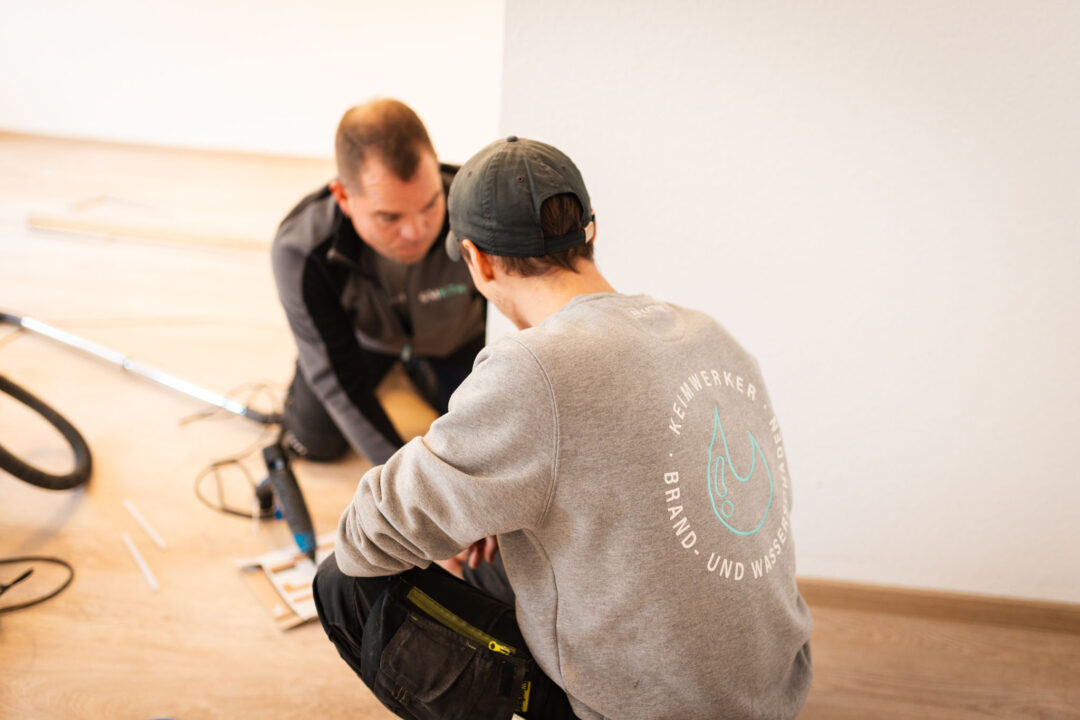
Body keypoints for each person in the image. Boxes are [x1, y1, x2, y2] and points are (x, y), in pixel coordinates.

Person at [313, 136, 813, 719]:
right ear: (590, 232)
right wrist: (497, 505)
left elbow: (365, 536)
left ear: (476, 259)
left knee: (342, 584)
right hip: (774, 691)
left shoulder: (534, 368)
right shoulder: (710, 335)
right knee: (498, 557)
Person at [271, 99, 486, 466]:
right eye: (389, 217)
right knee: (315, 442)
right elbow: (336, 380)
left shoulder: (477, 207)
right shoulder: (301, 251)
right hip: (361, 343)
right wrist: (405, 480)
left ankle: (416, 369)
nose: (416, 231)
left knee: (483, 435)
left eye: (430, 204)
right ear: (344, 197)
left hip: (455, 339)